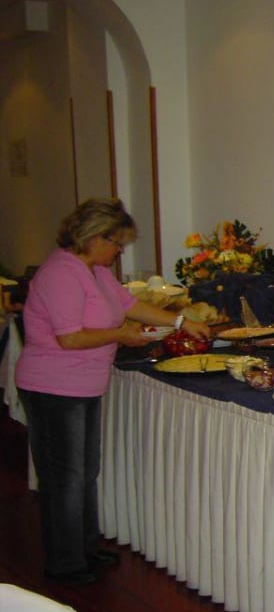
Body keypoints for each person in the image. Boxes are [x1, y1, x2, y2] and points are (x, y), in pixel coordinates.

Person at [14, 198, 211, 584]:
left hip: (82, 384)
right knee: (65, 478)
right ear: (94, 237)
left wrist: (182, 322)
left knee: (85, 472)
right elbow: (70, 338)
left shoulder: (96, 271)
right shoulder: (61, 274)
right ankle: (65, 563)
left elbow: (131, 305)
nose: (119, 251)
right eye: (116, 243)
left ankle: (85, 546)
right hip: (52, 387)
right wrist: (120, 334)